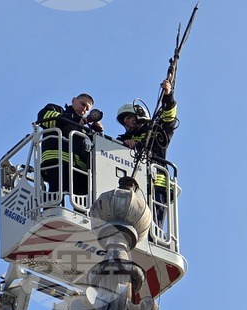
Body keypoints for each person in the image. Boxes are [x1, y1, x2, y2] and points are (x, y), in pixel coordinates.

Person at [116, 80, 178, 224]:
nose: (126, 122)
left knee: (153, 223)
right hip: (132, 186)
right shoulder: (120, 142)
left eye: (129, 117)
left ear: (139, 115)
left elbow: (169, 119)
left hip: (157, 185)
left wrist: (168, 96)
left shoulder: (157, 133)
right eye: (124, 120)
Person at [36, 93, 102, 197]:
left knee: (84, 201)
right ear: (73, 100)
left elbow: (92, 149)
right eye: (82, 104)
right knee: (56, 194)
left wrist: (96, 133)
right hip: (57, 160)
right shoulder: (57, 110)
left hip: (79, 169)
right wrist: (75, 120)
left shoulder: (84, 129)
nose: (84, 109)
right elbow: (43, 118)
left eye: (87, 109)